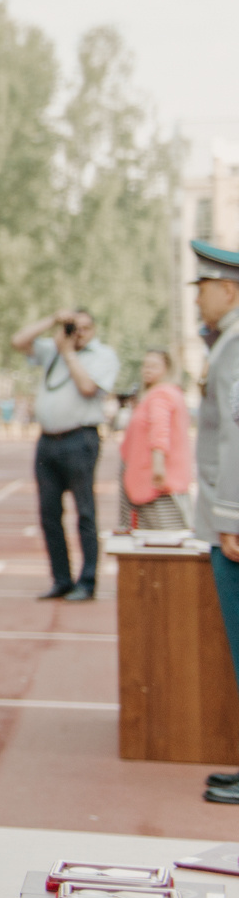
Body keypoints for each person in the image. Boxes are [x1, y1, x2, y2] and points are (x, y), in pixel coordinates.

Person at [12, 306, 121, 602]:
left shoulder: (102, 355)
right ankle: (61, 579)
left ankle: (87, 582)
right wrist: (52, 319)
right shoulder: (53, 349)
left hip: (80, 438)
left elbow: (88, 388)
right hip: (47, 441)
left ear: (94, 329)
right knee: (49, 513)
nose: (79, 333)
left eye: (84, 328)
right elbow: (18, 341)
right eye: (74, 327)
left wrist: (69, 354)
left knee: (84, 512)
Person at [192, 242, 239, 808]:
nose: (197, 298)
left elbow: (235, 437)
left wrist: (230, 518)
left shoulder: (235, 346)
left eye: (202, 287)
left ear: (228, 289)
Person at [120, 348, 194, 532]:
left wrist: (158, 464)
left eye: (154, 366)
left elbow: (160, 429)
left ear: (167, 369)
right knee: (151, 539)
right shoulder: (162, 394)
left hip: (156, 484)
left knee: (163, 539)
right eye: (145, 365)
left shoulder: (161, 395)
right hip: (147, 481)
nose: (147, 369)